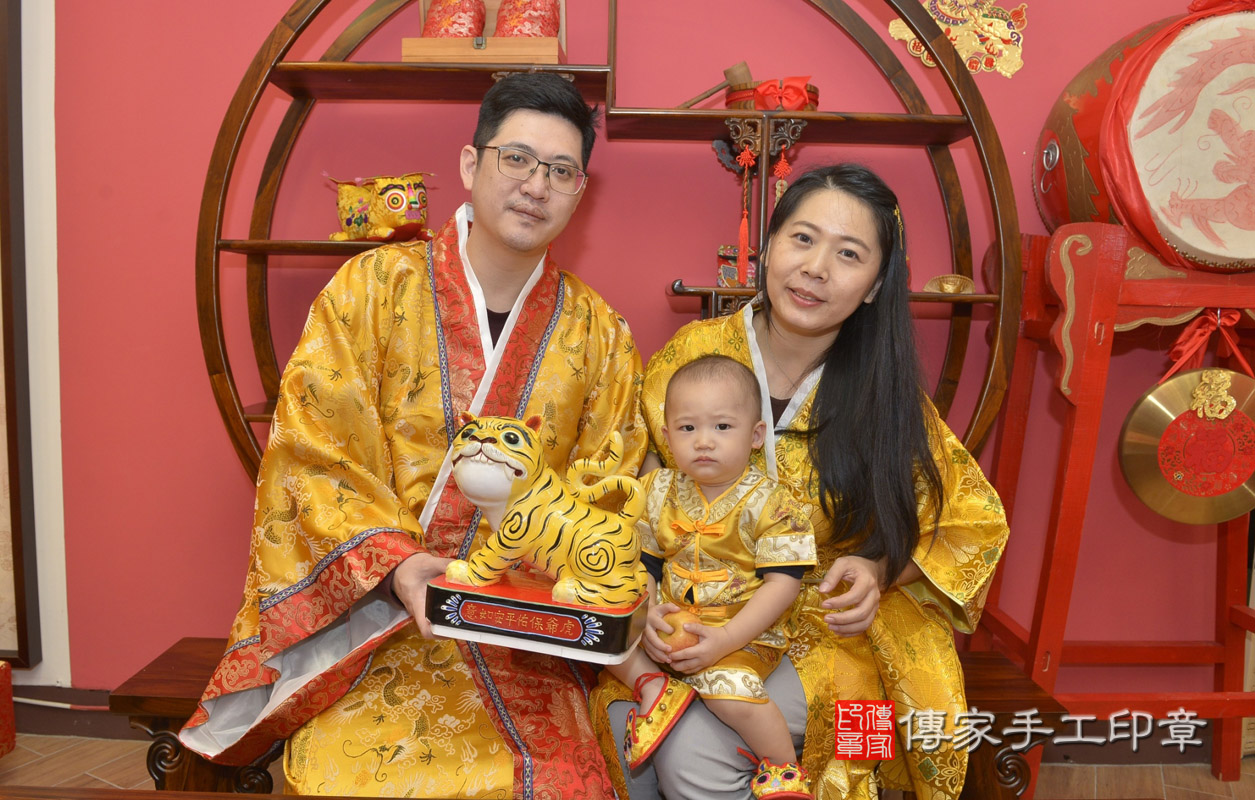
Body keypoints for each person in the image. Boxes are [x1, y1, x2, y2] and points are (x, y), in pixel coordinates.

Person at [179, 72, 647, 799]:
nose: (536, 186)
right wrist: (400, 568)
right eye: (517, 159)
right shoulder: (368, 290)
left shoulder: (601, 336)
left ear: (579, 192)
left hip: (526, 637)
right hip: (379, 623)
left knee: (558, 779)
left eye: (561, 171)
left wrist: (525, 587)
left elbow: (606, 490)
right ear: (470, 164)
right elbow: (314, 457)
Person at [591, 163, 1010, 800]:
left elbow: (972, 520)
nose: (816, 268)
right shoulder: (693, 352)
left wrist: (878, 569)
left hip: (825, 631)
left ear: (875, 285)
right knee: (625, 727)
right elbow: (637, 481)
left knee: (690, 756)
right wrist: (645, 596)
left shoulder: (886, 390)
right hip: (689, 609)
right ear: (769, 248)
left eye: (849, 254)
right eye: (803, 239)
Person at [606, 355, 816, 799]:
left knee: (726, 689)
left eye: (722, 427)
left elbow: (783, 585)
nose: (703, 441)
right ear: (667, 437)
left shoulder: (772, 503)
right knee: (603, 629)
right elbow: (643, 564)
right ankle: (655, 687)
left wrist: (725, 640)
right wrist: (647, 615)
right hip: (668, 628)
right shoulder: (657, 490)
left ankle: (783, 769)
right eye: (687, 428)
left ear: (755, 436)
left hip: (740, 634)